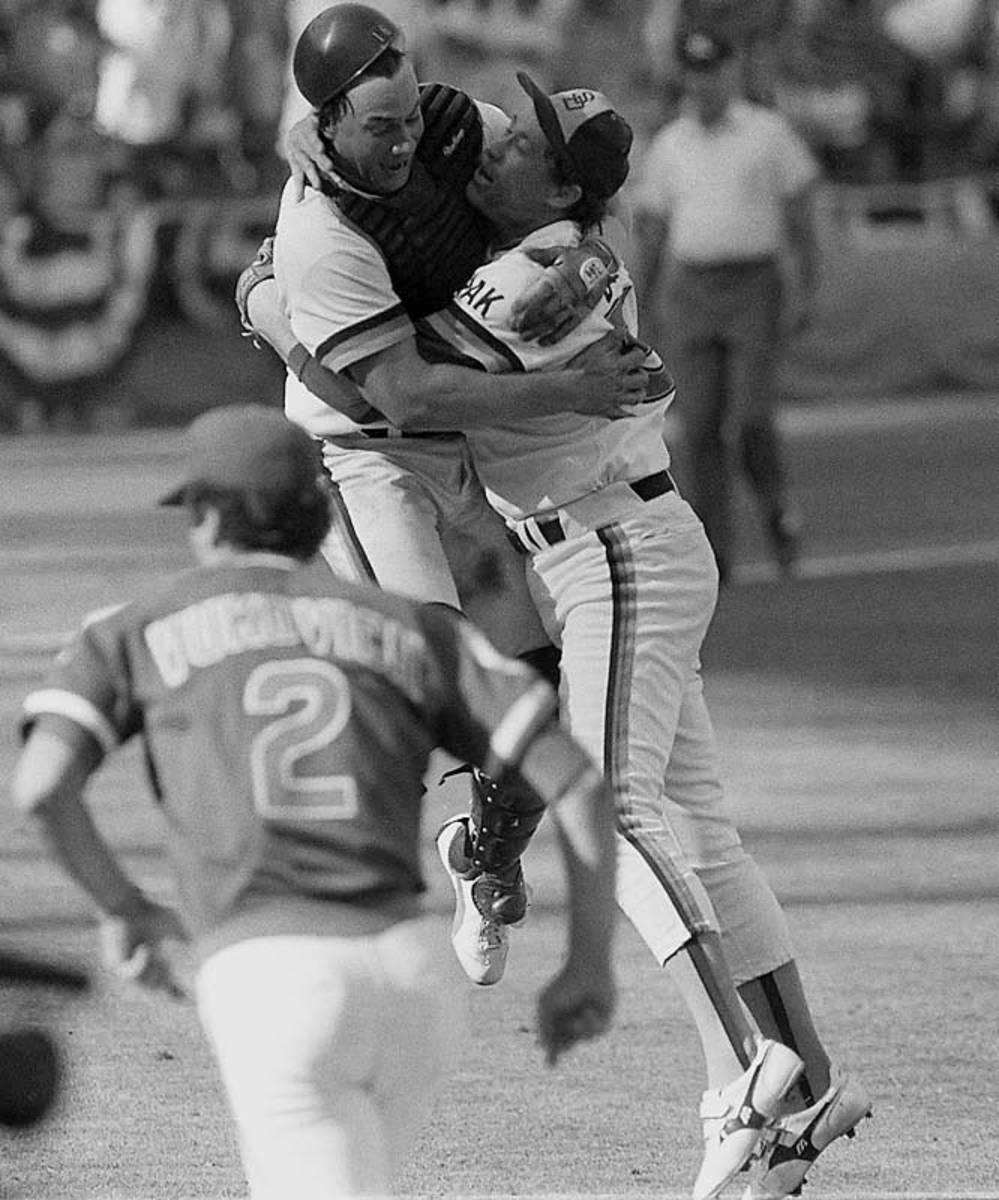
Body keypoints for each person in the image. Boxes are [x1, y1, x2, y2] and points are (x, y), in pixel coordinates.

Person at [408, 72, 870, 1200]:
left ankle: (743, 1072)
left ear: (565, 184)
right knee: (700, 831)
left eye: (527, 143)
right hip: (621, 543)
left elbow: (409, 387)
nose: (502, 144)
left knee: (612, 810)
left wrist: (288, 294)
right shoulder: (546, 246)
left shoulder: (554, 265)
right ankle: (804, 1081)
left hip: (614, 549)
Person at [11, 403, 619, 1200]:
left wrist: (123, 905)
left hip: (273, 975)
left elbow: (43, 784)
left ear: (204, 515)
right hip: (411, 976)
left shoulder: (132, 629)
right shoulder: (412, 628)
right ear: (319, 513)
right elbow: (574, 783)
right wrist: (586, 962)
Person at [239, 3, 648, 988]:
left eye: (407, 118)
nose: (405, 144)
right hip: (365, 448)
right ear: (327, 120)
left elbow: (570, 175)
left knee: (533, 692)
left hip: (462, 444)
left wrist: (585, 253)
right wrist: (284, 319)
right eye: (376, 127)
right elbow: (389, 388)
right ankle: (303, 877)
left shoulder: (457, 124)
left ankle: (480, 852)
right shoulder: (323, 227)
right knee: (431, 668)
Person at [631, 27, 822, 586]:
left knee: (751, 416)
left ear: (731, 73)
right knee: (700, 425)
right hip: (693, 286)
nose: (704, 84)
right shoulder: (671, 144)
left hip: (753, 282)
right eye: (694, 73)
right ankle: (716, 548)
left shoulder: (766, 133)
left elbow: (800, 210)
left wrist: (807, 285)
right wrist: (642, 301)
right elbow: (654, 230)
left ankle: (775, 508)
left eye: (712, 72)